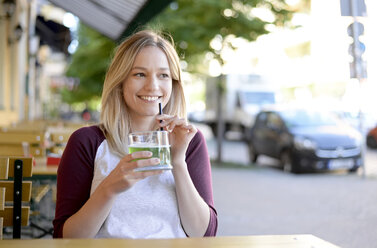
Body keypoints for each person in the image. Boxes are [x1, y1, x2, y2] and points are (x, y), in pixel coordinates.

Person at [53, 29, 217, 238]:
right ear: (120, 82)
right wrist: (109, 188)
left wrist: (177, 161)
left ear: (173, 83)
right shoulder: (87, 142)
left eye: (163, 75)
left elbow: (205, 234)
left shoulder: (189, 141)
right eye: (139, 74)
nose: (153, 86)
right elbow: (65, 238)